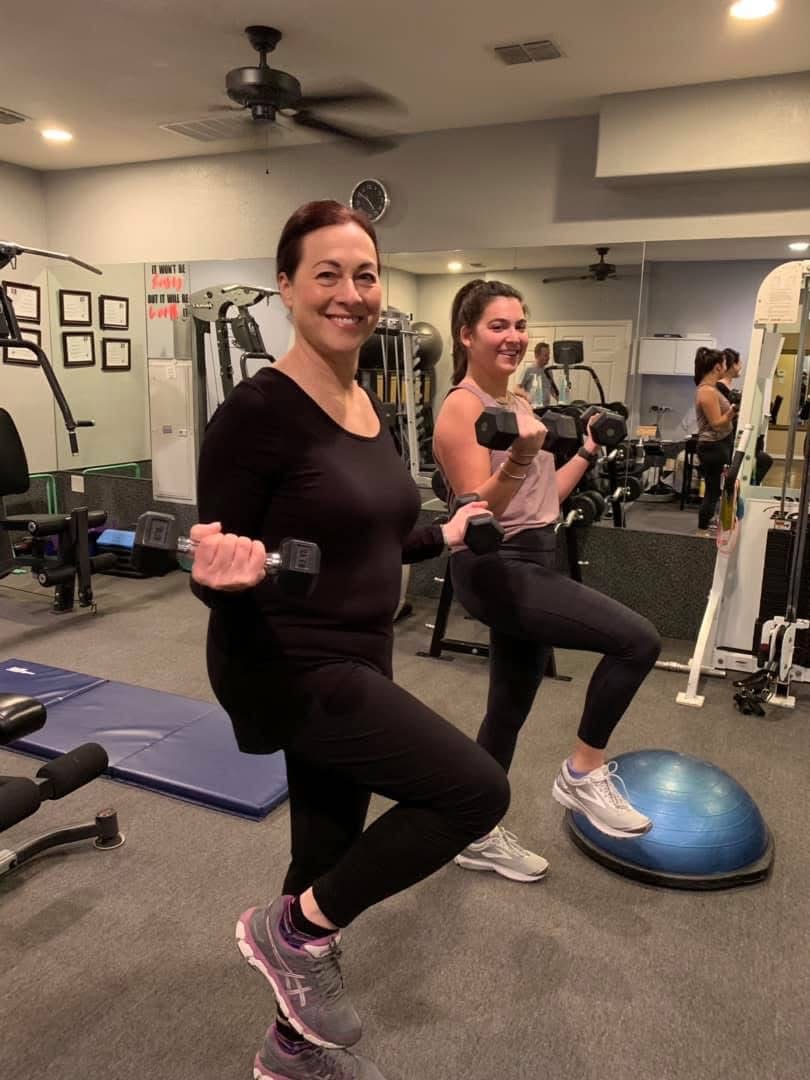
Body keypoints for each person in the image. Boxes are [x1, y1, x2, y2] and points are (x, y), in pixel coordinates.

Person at [189, 202, 509, 1080]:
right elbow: (219, 558)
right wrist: (215, 578)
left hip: (362, 649)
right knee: (472, 793)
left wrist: (438, 536)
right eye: (326, 273)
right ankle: (285, 934)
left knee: (326, 856)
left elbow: (365, 533)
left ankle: (293, 1050)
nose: (350, 292)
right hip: (287, 659)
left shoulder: (368, 400)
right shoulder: (255, 413)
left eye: (364, 274)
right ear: (285, 287)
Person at [431, 279, 661, 885]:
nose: (514, 337)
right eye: (498, 326)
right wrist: (523, 457)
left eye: (520, 325)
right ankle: (583, 772)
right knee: (637, 641)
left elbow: (545, 502)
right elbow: (475, 510)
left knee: (509, 704)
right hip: (495, 567)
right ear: (467, 334)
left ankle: (473, 832)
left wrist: (583, 453)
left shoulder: (523, 405)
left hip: (536, 556)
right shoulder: (463, 407)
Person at [693, 346, 737, 536]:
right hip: (713, 446)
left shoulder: (711, 389)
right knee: (712, 491)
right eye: (724, 365)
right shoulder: (707, 392)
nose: (726, 368)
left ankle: (707, 525)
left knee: (716, 490)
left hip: (719, 445)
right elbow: (717, 424)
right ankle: (701, 530)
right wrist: (733, 411)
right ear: (717, 368)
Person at [718, 347, 773, 487]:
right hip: (726, 439)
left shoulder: (730, 389)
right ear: (731, 365)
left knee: (763, 459)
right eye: (739, 362)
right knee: (763, 460)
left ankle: (747, 490)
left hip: (736, 436)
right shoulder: (720, 388)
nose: (741, 365)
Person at [518, 341, 559, 405]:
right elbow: (516, 389)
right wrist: (526, 395)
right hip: (532, 408)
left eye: (549, 355)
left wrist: (561, 401)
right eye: (545, 355)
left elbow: (552, 390)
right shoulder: (528, 370)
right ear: (537, 355)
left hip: (545, 408)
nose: (548, 358)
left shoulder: (549, 371)